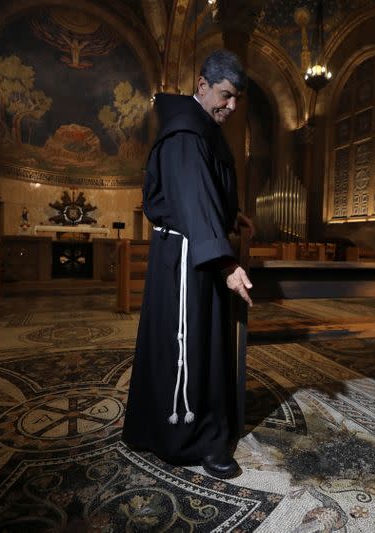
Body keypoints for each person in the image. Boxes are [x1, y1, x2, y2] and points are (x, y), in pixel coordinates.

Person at [121, 50, 255, 479]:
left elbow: (206, 190)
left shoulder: (201, 126)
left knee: (204, 342)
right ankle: (190, 439)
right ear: (202, 87)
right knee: (188, 347)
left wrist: (231, 213)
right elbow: (192, 200)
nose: (231, 106)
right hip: (186, 255)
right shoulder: (185, 131)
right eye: (225, 95)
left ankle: (167, 426)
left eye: (235, 98)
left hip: (194, 248)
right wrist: (227, 263)